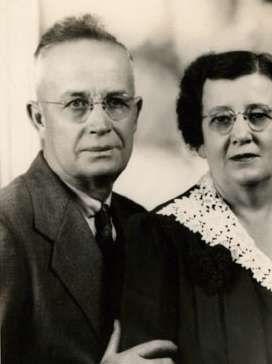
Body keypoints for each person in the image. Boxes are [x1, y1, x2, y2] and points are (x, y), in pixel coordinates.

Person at [120, 51, 272, 364]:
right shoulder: (158, 240)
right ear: (200, 141)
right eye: (221, 120)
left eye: (258, 116)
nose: (242, 134)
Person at [0, 14, 176, 364]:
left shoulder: (139, 224)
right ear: (39, 118)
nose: (100, 123)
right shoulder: (7, 228)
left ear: (136, 113)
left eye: (115, 103)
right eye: (76, 104)